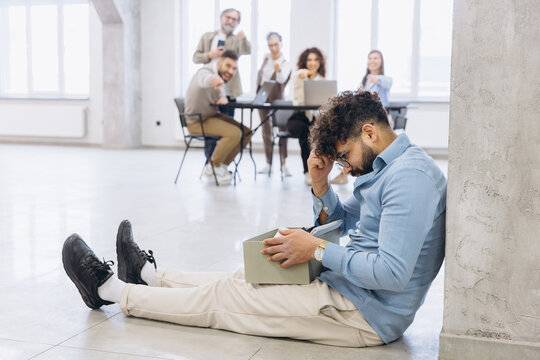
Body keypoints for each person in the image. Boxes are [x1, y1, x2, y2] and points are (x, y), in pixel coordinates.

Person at [62, 90, 446, 347]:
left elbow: (392, 273)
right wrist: (319, 184)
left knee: (226, 299)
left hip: (364, 315)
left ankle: (110, 291)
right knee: (240, 277)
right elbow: (345, 221)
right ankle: (148, 276)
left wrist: (316, 250)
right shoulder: (386, 168)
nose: (345, 166)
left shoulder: (410, 180)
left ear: (369, 133)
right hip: (347, 288)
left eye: (344, 155)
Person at [184, 50, 252, 185]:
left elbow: (220, 90)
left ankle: (221, 166)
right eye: (228, 66)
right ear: (219, 62)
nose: (231, 71)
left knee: (247, 132)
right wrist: (213, 80)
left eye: (234, 68)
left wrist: (221, 97)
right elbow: (205, 79)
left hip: (211, 116)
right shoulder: (205, 72)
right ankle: (212, 167)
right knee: (234, 134)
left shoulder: (219, 78)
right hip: (197, 121)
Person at [331, 49, 393, 185]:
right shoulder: (364, 80)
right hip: (364, 117)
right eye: (370, 58)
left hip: (381, 120)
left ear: (381, 62)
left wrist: (375, 79)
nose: (372, 61)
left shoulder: (385, 80)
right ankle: (344, 171)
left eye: (376, 58)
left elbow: (387, 84)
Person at [193, 8, 251, 118]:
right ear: (221, 18)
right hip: (209, 88)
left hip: (229, 90)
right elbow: (196, 58)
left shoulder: (237, 39)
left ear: (237, 23)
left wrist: (244, 39)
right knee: (209, 124)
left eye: (234, 19)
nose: (230, 21)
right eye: (228, 17)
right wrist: (210, 55)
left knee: (228, 123)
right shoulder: (207, 37)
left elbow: (247, 50)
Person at [288, 47, 327, 185]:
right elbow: (296, 99)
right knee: (306, 132)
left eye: (315, 60)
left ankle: (323, 170)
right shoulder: (299, 75)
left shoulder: (321, 80)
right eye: (309, 60)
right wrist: (301, 76)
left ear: (320, 62)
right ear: (305, 62)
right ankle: (307, 172)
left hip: (315, 118)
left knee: (323, 131)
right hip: (298, 117)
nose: (312, 63)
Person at [256, 32, 292, 176]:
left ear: (281, 44)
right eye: (270, 45)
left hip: (278, 99)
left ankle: (283, 165)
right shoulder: (266, 59)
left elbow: (282, 80)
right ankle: (268, 163)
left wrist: (278, 70)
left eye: (276, 44)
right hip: (262, 98)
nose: (274, 48)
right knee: (266, 132)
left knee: (282, 131)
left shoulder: (285, 63)